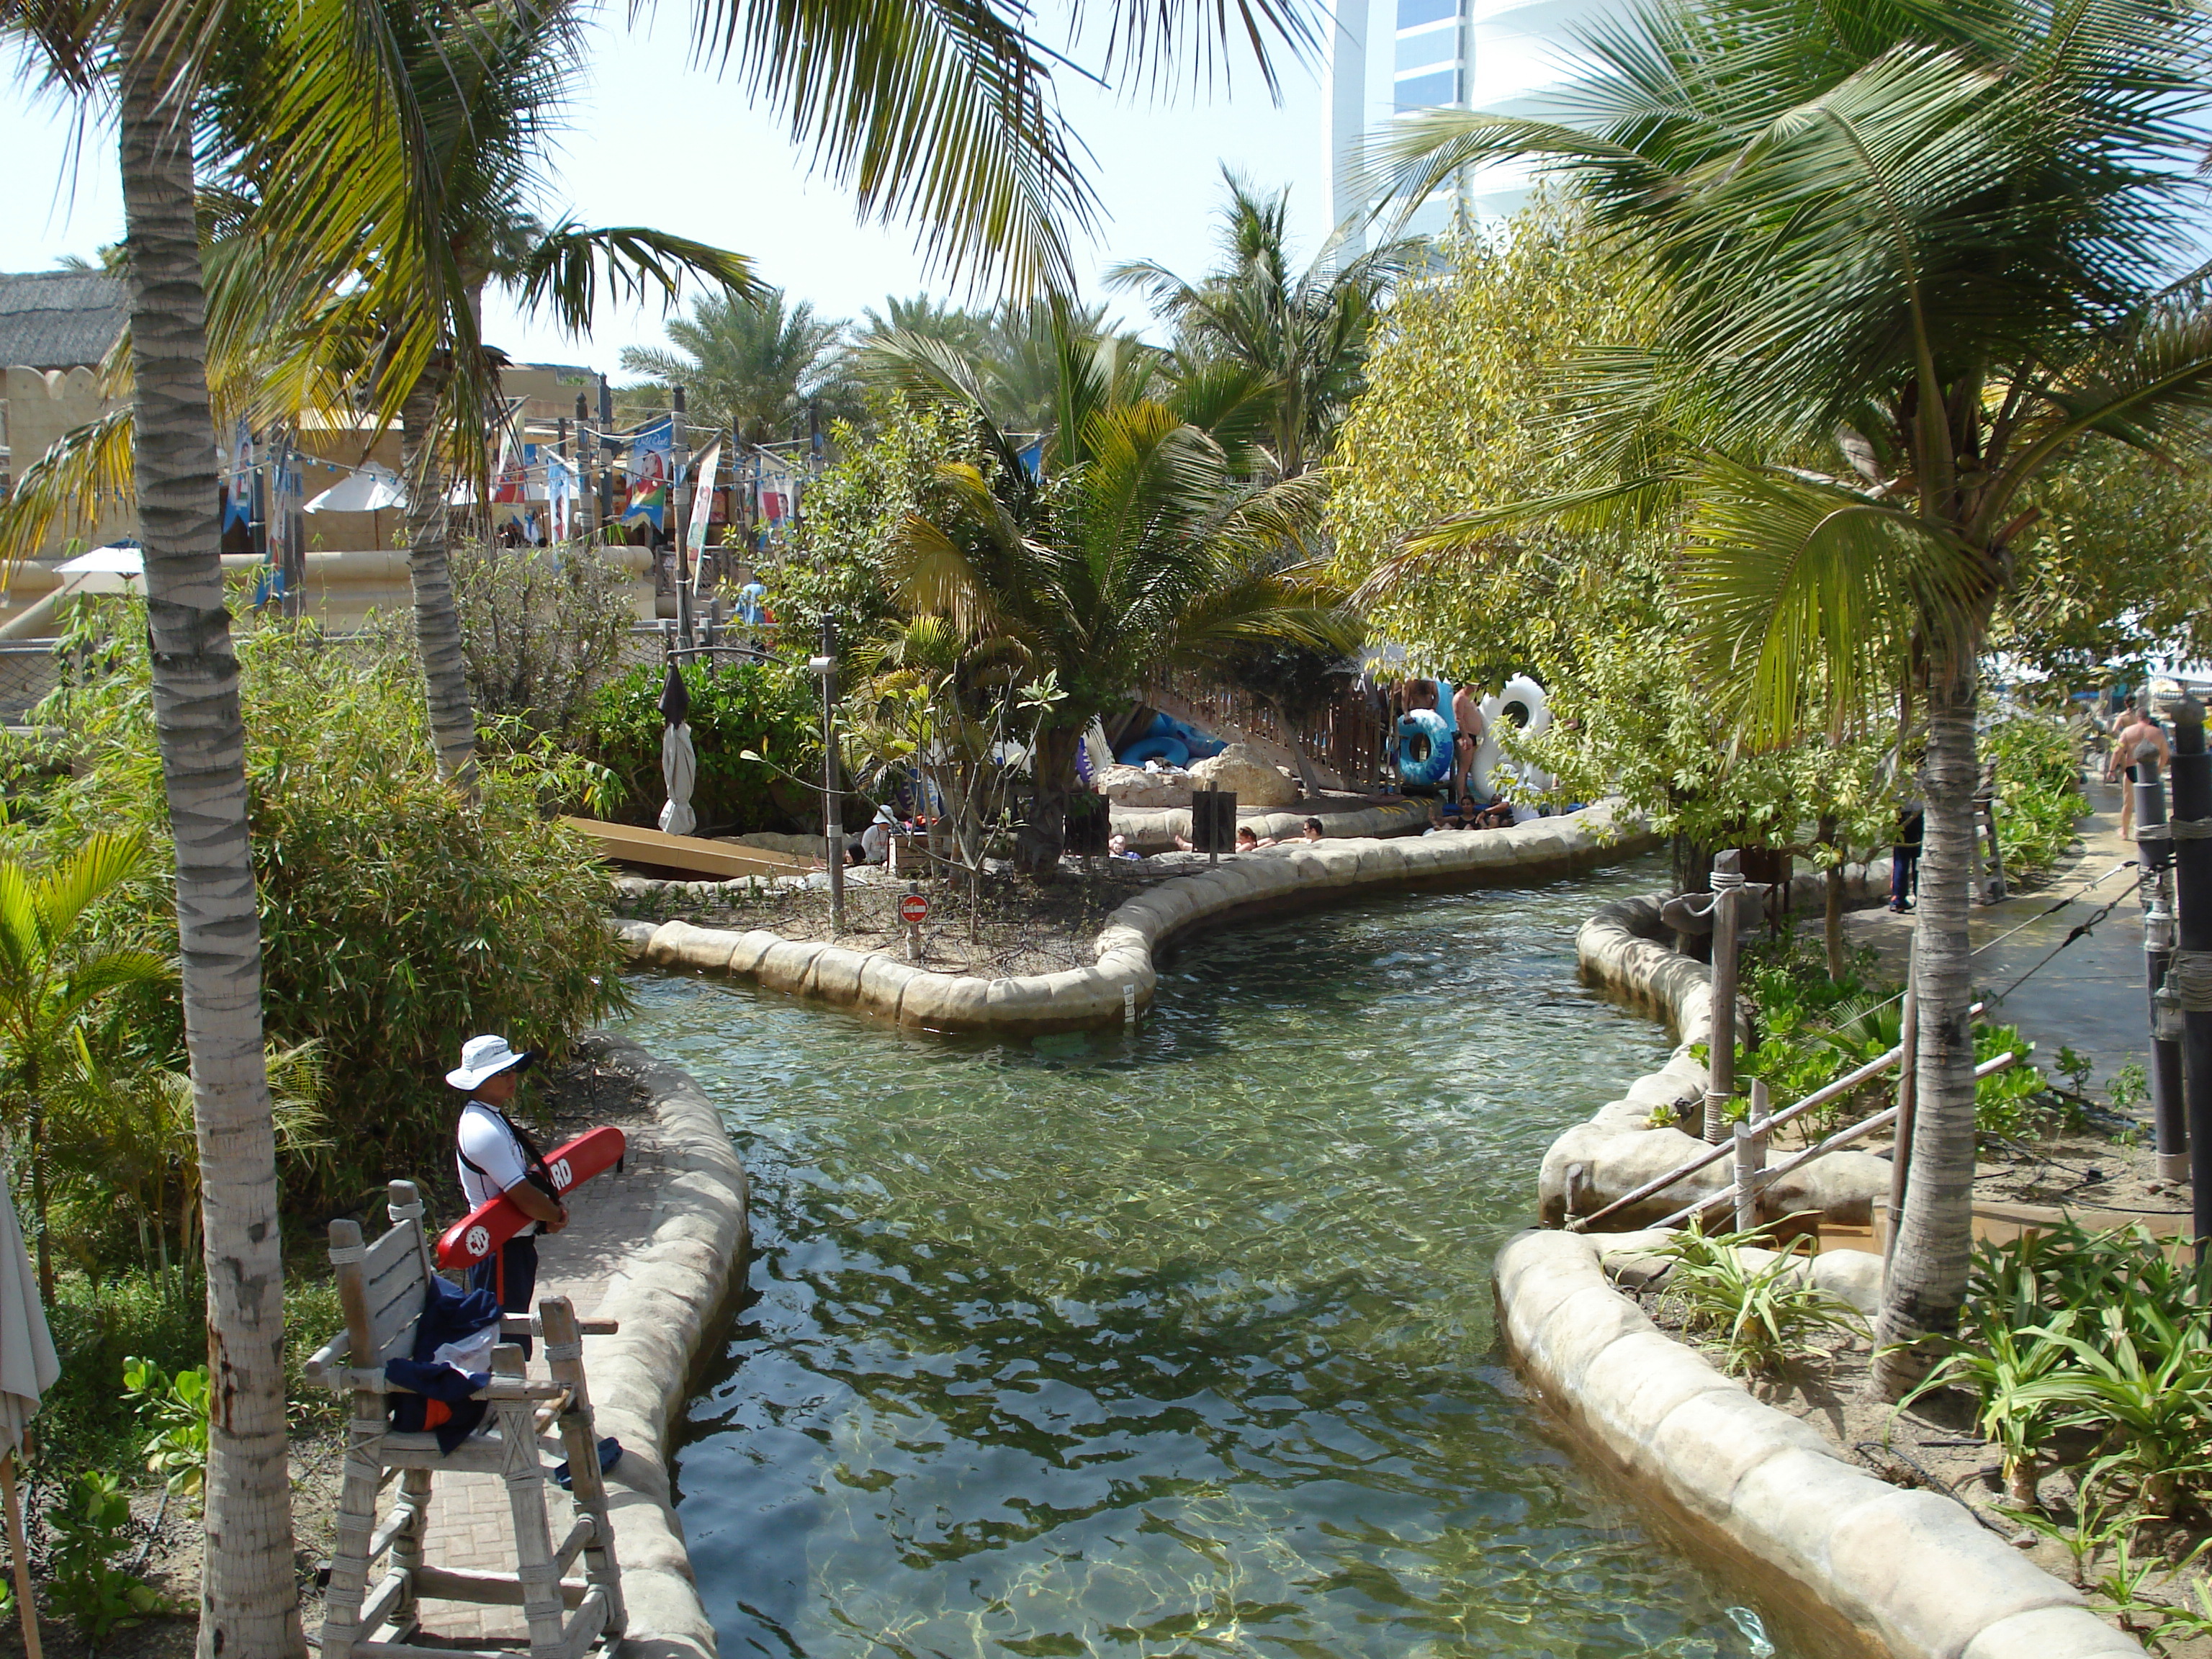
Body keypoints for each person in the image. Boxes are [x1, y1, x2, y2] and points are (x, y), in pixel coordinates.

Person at [450, 1035, 567, 1344]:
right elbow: (524, 1196)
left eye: (513, 1069)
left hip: (512, 1246)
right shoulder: (481, 1128)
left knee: (509, 1333)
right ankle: (503, 1392)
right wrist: (554, 1214)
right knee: (502, 1339)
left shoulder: (490, 1116)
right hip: (499, 1248)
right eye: (503, 1072)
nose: (512, 1077)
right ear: (479, 1080)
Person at [2110, 706, 2171, 840]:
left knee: (2128, 803)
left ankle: (2125, 832)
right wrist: (2159, 770)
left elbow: (2117, 751)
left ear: (2138, 718)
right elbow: (2165, 755)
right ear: (2148, 719)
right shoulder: (2158, 733)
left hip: (2132, 769)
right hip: (2150, 770)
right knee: (2151, 802)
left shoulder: (2128, 731)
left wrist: (2111, 770)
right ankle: (2152, 830)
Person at [1452, 683, 1486, 804]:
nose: (1475, 689)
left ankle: (1467, 796)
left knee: (1469, 769)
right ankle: (1461, 798)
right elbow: (1459, 718)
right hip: (1465, 736)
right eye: (1473, 686)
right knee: (1463, 769)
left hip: (1473, 736)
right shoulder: (1460, 698)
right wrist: (1466, 737)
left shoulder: (1470, 698)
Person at [1890, 801, 1925, 913]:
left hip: (1899, 814)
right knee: (1919, 860)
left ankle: (1898, 900)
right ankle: (1921, 897)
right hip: (1917, 813)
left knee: (1901, 861)